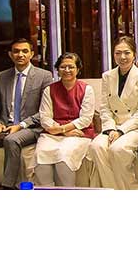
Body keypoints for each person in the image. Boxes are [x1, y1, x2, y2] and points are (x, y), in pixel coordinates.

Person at [0, 38, 52, 189]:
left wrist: (20, 126)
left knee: (12, 140)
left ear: (32, 54)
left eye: (24, 51)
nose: (20, 54)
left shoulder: (44, 76)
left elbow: (45, 111)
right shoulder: (2, 76)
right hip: (5, 125)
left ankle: (8, 186)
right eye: (16, 51)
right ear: (10, 54)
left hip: (30, 127)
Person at [89, 36, 138, 190]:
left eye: (127, 53)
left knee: (118, 149)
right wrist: (111, 128)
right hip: (112, 126)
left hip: (134, 128)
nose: (122, 57)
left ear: (134, 55)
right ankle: (112, 189)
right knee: (96, 146)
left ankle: (129, 190)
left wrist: (120, 131)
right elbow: (104, 107)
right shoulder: (107, 76)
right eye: (118, 53)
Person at [34, 52, 96, 187]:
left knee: (64, 155)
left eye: (71, 67)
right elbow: (45, 118)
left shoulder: (87, 89)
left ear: (78, 69)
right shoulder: (49, 90)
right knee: (41, 154)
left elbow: (85, 119)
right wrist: (62, 131)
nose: (67, 70)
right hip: (52, 133)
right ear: (57, 69)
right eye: (63, 67)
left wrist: (63, 129)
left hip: (80, 132)